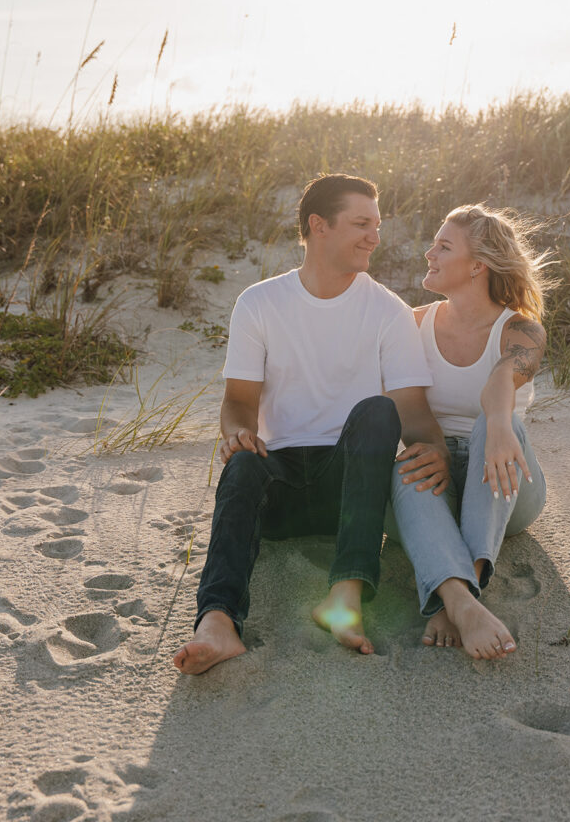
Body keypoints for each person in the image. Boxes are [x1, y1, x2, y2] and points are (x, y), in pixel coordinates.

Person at [173, 173, 450, 675]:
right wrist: (237, 433)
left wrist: (435, 448)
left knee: (378, 411)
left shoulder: (389, 312)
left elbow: (412, 414)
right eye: (362, 223)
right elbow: (238, 402)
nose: (375, 236)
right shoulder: (259, 303)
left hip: (349, 493)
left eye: (378, 225)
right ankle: (217, 621)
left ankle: (343, 597)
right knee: (240, 467)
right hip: (275, 488)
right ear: (318, 226)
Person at [390, 204, 549, 661]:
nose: (428, 253)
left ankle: (469, 579)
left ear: (477, 265)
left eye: (443, 246)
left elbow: (502, 380)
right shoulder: (413, 325)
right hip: (436, 481)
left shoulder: (519, 330)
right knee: (410, 462)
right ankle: (459, 601)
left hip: (504, 479)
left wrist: (499, 424)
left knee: (496, 422)